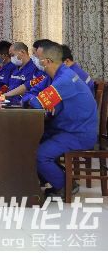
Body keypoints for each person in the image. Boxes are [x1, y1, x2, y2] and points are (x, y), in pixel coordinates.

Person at [29, 42, 98, 201]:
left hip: (78, 133)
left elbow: (37, 103)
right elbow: (32, 94)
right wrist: (36, 99)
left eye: (38, 57)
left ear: (48, 61)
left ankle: (65, 186)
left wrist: (37, 100)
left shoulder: (65, 79)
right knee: (29, 143)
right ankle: (43, 179)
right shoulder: (54, 76)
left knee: (39, 155)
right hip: (64, 128)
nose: (35, 60)